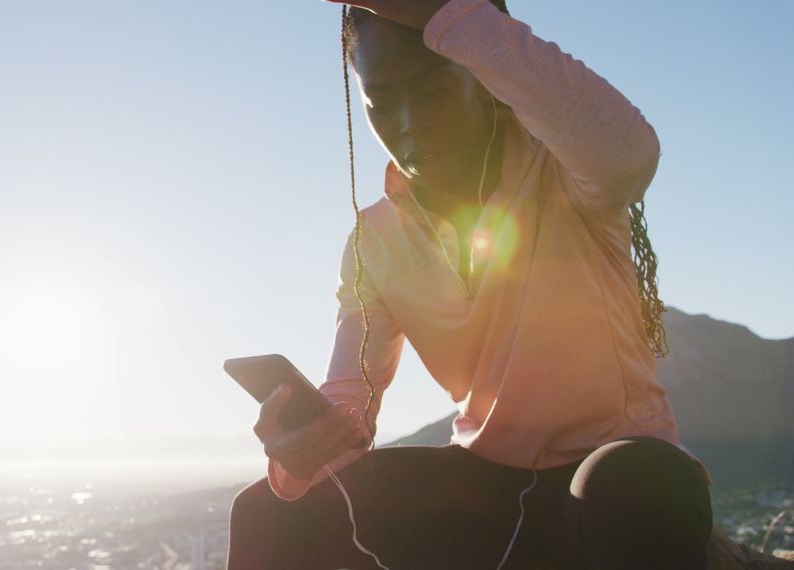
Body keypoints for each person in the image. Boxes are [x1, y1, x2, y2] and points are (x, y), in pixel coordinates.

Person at [226, 0, 715, 569]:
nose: (408, 123)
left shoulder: (563, 169)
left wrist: (451, 16)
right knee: (264, 510)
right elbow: (350, 400)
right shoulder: (375, 240)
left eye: (432, 88)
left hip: (617, 479)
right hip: (485, 487)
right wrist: (301, 453)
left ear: (485, 77)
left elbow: (631, 153)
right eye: (382, 101)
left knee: (631, 482)